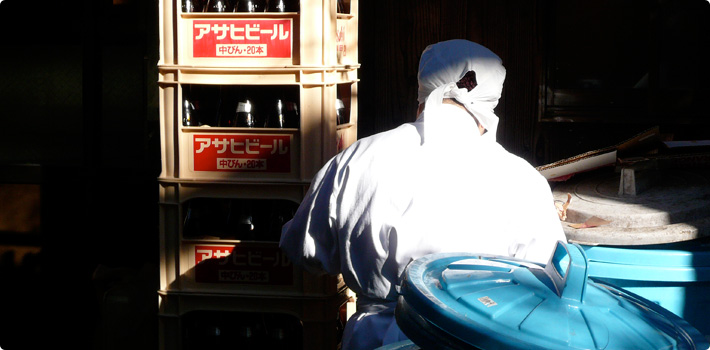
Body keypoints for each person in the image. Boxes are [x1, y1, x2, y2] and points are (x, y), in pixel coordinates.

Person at [279, 39, 567, 350]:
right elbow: (549, 283)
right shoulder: (522, 180)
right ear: (489, 107)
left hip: (373, 340)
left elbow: (303, 249)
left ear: (421, 93)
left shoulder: (356, 159)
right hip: (473, 341)